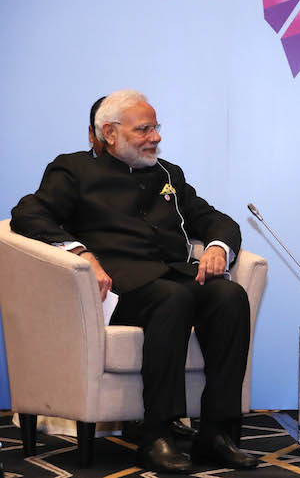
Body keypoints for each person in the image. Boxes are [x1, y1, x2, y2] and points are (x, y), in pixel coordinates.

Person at [11, 90, 258, 473]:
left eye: (156, 127)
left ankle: (216, 433)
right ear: (109, 133)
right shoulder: (73, 171)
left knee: (229, 295)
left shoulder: (168, 174)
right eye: (143, 129)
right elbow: (27, 215)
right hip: (119, 286)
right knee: (172, 298)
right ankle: (156, 434)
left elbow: (214, 218)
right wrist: (80, 253)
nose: (155, 137)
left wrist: (218, 247)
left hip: (172, 277)